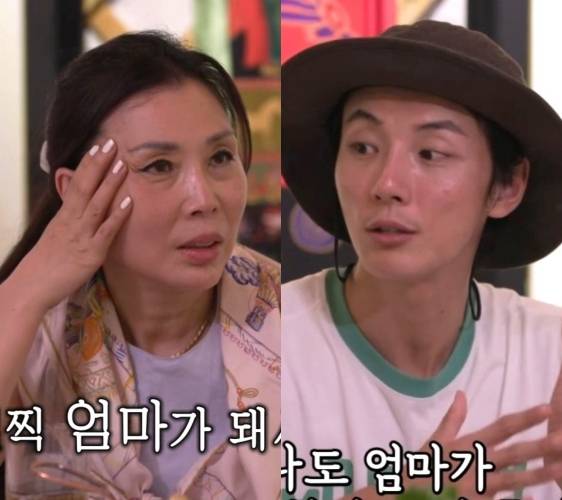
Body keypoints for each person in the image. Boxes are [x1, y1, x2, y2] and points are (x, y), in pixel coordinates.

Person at [282, 20, 562, 500]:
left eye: (430, 153)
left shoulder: (548, 357)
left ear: (507, 186)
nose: (386, 184)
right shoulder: (255, 350)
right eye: (363, 147)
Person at [0, 31, 280, 499]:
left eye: (220, 157)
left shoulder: (292, 316)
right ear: (77, 190)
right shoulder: (32, 333)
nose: (203, 198)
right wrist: (29, 287)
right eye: (158, 166)